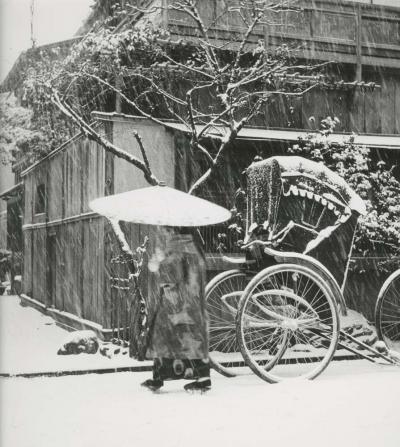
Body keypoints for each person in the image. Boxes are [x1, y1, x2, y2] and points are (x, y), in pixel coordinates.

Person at [141, 226, 211, 392]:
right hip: (191, 305)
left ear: (173, 232)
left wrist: (157, 262)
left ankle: (160, 376)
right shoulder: (194, 250)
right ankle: (201, 376)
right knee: (190, 339)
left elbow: (169, 279)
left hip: (175, 304)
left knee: (164, 337)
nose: (164, 234)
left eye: (166, 231)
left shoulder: (176, 251)